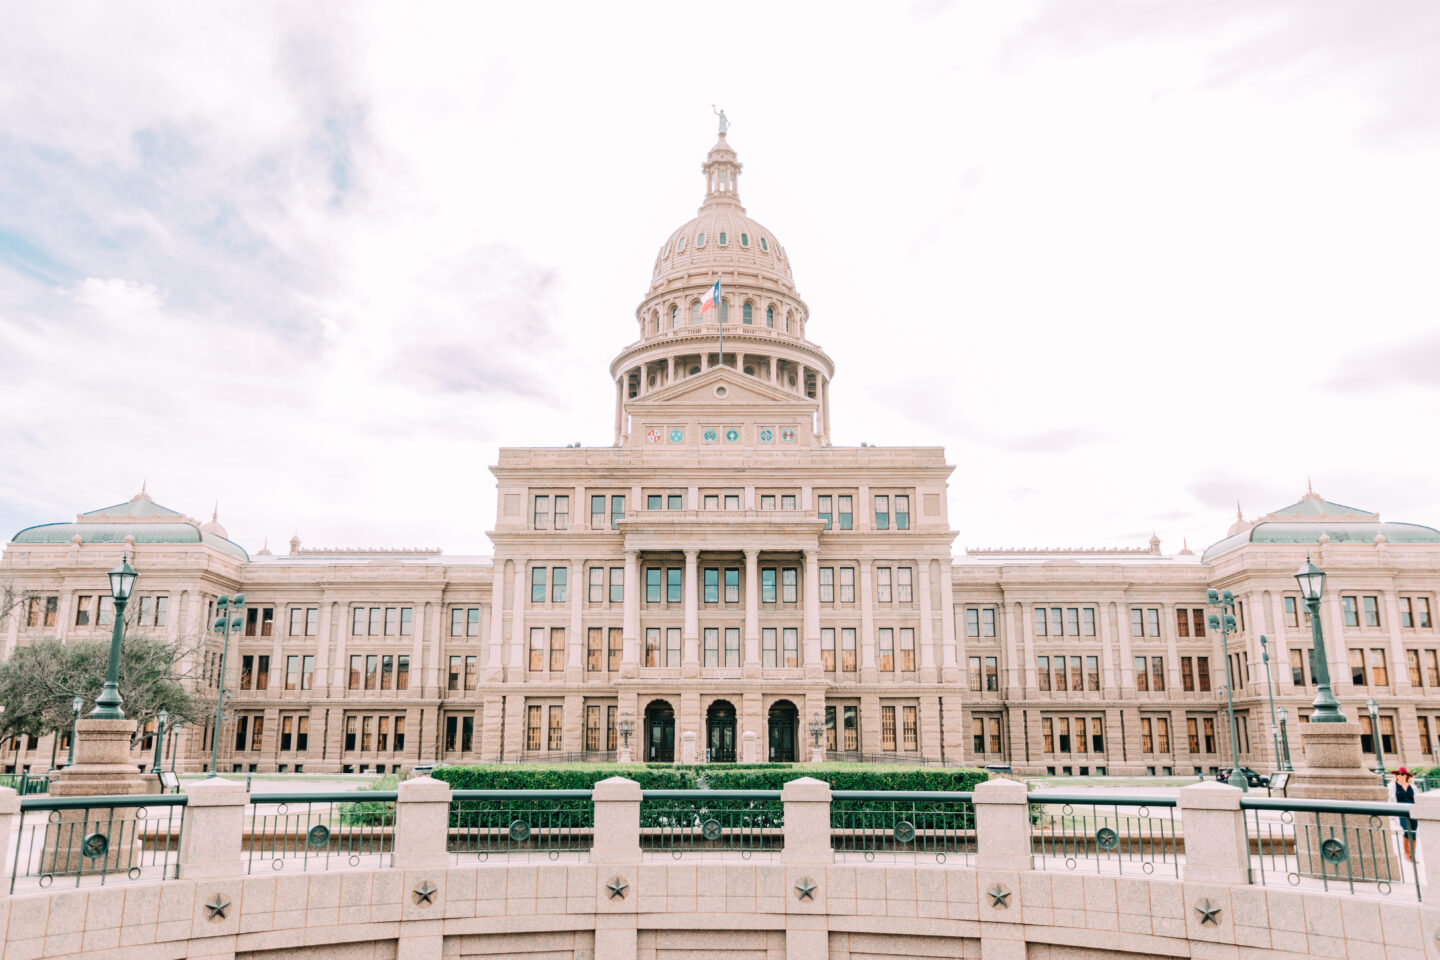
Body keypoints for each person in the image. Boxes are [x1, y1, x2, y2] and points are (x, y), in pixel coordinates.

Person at [1391, 767, 1417, 861]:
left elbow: (1417, 800)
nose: (1399, 776)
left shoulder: (1412, 787)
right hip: (1401, 812)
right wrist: (1392, 815)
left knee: (1413, 832)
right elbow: (1391, 801)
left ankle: (1412, 855)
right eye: (1397, 774)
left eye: (1402, 774)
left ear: (1406, 776)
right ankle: (1407, 854)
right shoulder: (1393, 786)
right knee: (1407, 830)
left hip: (1413, 812)